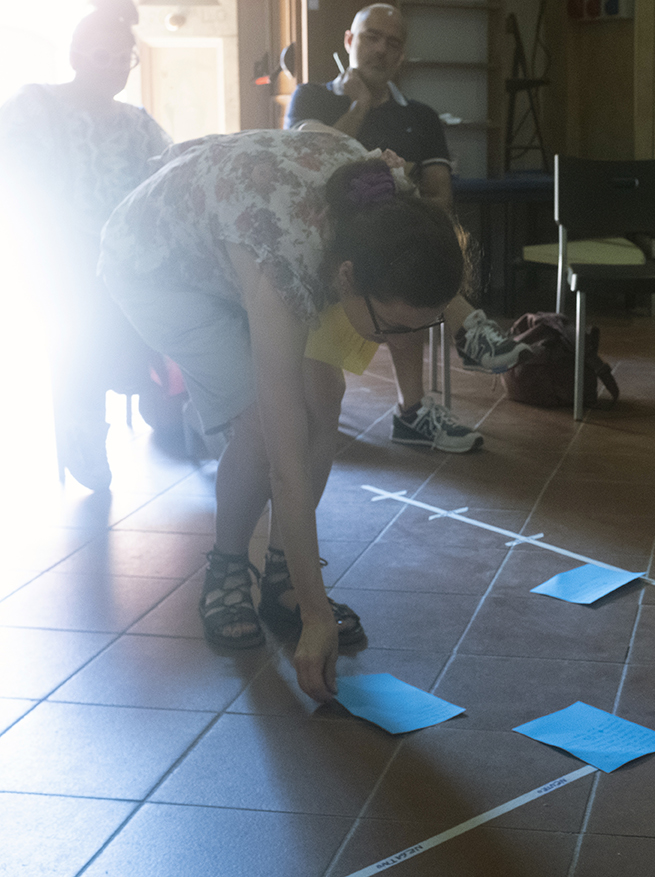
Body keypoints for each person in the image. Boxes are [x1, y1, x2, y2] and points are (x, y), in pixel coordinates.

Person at [100, 128, 469, 702]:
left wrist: (471, 324)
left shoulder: (387, 203)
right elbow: (286, 467)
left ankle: (282, 577)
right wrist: (317, 616)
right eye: (393, 327)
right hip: (158, 266)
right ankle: (227, 568)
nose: (401, 341)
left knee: (324, 398)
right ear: (346, 278)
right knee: (261, 428)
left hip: (236, 233)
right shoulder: (284, 265)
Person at [284, 3, 530, 454]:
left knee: (409, 257)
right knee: (404, 253)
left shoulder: (421, 117)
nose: (380, 49)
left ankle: (415, 409)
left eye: (392, 43)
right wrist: (358, 105)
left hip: (388, 254)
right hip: (323, 252)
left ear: (402, 56)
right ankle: (467, 336)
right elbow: (308, 161)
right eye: (371, 37)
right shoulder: (310, 98)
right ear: (349, 41)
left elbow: (440, 198)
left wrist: (397, 194)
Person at [0, 0, 172, 490]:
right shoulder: (36, 105)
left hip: (123, 253)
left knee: (169, 286)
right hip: (55, 254)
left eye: (124, 59)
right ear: (76, 54)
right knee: (82, 302)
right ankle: (89, 423)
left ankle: (162, 395)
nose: (115, 67)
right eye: (103, 56)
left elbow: (167, 176)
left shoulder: (137, 121)